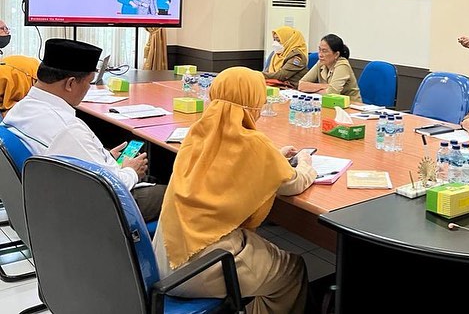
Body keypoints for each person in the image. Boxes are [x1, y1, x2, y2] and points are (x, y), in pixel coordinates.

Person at [152, 67, 316, 314]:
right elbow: (294, 183)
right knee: (292, 270)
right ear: (253, 104)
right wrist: (305, 162)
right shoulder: (255, 144)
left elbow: (229, 165)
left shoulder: (196, 133)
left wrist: (274, 158)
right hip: (201, 265)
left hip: (162, 257)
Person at [2, 38, 166, 222]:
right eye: (89, 83)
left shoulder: (19, 109)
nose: (88, 89)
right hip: (100, 207)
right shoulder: (68, 128)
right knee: (177, 196)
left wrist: (107, 157)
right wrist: (131, 171)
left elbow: (67, 153)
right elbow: (111, 186)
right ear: (70, 84)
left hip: (48, 198)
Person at [298, 34, 361, 100]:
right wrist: (324, 86)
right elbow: (301, 85)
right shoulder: (321, 63)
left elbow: (331, 93)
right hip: (328, 103)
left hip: (351, 106)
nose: (320, 54)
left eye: (324, 51)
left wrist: (312, 89)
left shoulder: (343, 65)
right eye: (319, 50)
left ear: (336, 54)